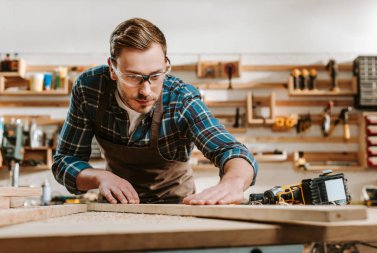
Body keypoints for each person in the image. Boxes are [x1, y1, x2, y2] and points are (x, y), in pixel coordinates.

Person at [52, 18, 258, 205]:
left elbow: (232, 151)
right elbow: (65, 160)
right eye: (133, 77)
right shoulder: (90, 89)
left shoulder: (180, 99)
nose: (146, 91)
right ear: (112, 69)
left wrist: (233, 183)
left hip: (176, 206)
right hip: (116, 206)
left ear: (166, 65)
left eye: (156, 75)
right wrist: (100, 177)